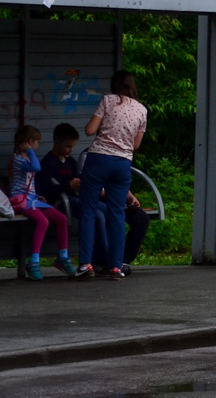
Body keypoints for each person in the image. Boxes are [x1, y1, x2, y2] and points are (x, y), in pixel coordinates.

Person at [39, 123, 149, 276]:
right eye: (67, 147)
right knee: (97, 215)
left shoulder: (70, 161)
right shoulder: (50, 163)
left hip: (77, 197)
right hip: (62, 200)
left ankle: (116, 258)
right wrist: (68, 186)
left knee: (110, 213)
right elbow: (44, 188)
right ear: (56, 142)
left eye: (72, 147)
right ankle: (102, 258)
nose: (70, 150)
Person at [74, 71, 147, 281]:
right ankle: (116, 267)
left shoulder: (108, 100)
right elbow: (136, 145)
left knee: (88, 211)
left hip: (98, 159)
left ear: (114, 84)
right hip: (123, 164)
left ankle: (86, 265)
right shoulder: (142, 110)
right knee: (118, 214)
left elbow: (90, 130)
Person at [9, 125, 74, 280]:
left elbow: (29, 183)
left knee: (61, 219)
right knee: (43, 221)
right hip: (21, 200)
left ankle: (63, 256)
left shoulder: (26, 158)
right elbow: (36, 168)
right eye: (36, 143)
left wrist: (37, 195)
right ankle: (34, 261)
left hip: (32, 199)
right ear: (30, 142)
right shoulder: (18, 159)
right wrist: (30, 151)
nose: (38, 146)